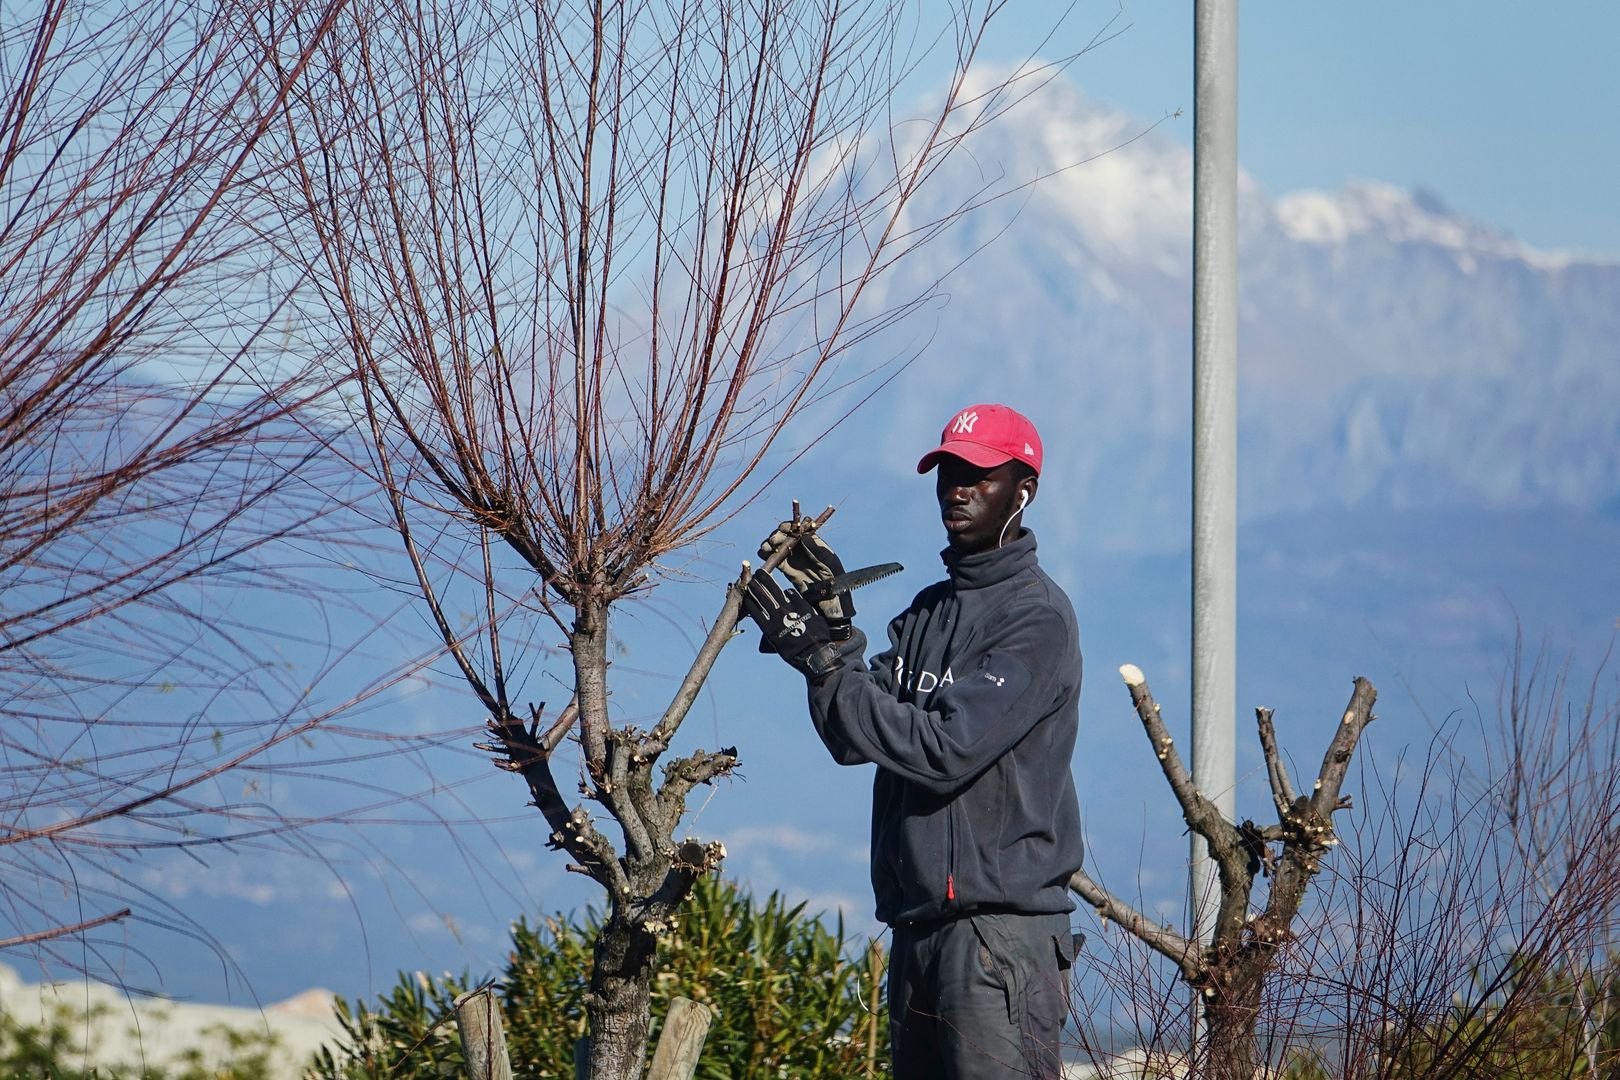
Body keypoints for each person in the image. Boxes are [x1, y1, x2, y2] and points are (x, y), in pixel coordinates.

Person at [742, 402, 1084, 1079]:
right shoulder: (928, 611)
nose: (957, 489)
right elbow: (854, 736)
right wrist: (835, 643)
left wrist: (826, 660)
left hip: (998, 938)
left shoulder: (1035, 619)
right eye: (948, 471)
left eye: (979, 475)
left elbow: (942, 750)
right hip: (918, 930)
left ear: (1024, 491)